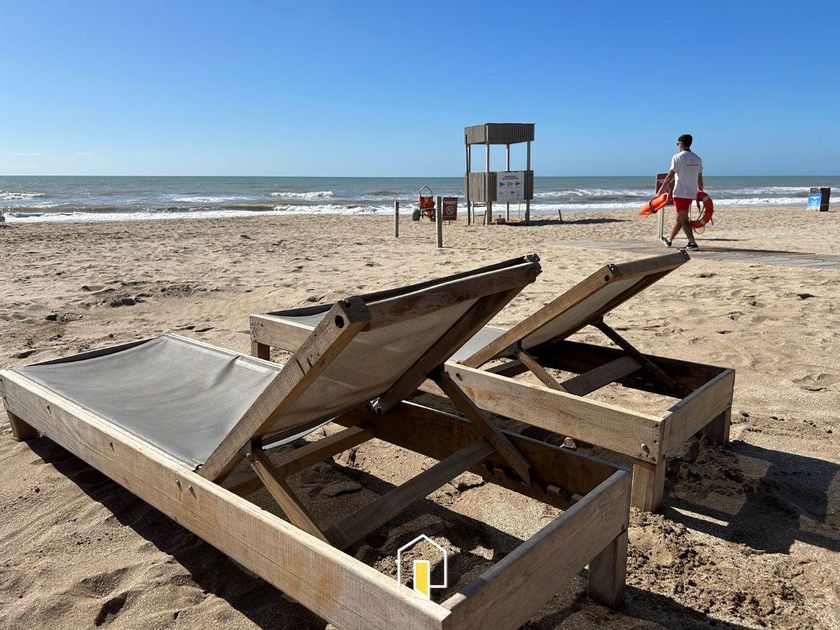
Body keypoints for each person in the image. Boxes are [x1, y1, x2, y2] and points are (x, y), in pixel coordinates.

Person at [656, 133, 703, 250]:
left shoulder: (677, 157)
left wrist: (661, 190)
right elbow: (700, 177)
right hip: (691, 193)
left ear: (681, 144)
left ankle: (692, 243)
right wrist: (700, 192)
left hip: (680, 193)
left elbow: (670, 175)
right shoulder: (697, 158)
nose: (678, 145)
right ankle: (669, 240)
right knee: (680, 218)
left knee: (684, 219)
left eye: (678, 143)